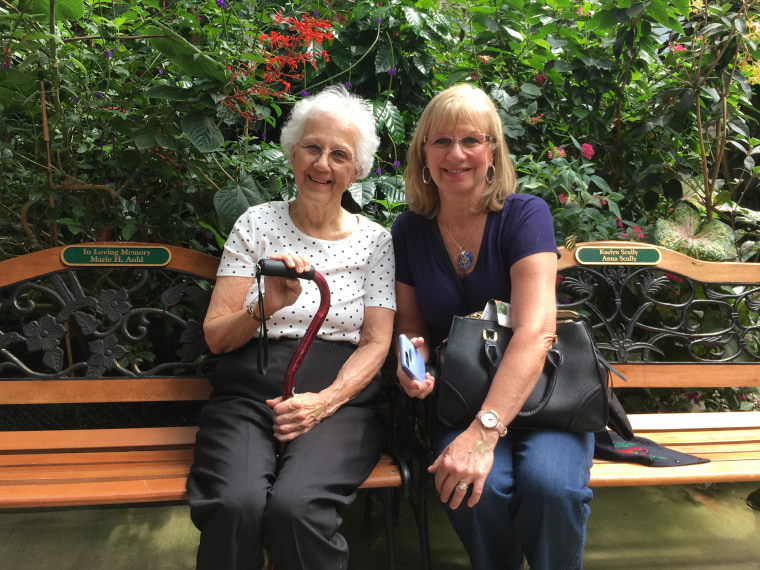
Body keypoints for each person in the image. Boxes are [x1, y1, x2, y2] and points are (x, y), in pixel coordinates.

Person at [187, 85, 396, 570]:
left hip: (339, 399)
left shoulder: (375, 241)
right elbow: (217, 336)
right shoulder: (255, 223)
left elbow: (376, 342)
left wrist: (324, 402)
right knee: (235, 505)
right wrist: (264, 307)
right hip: (248, 392)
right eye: (312, 147)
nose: (322, 164)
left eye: (339, 154)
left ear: (357, 168)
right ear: (293, 151)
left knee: (296, 510)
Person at [392, 83, 593, 570]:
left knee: (552, 488)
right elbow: (409, 328)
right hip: (461, 396)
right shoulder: (409, 230)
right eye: (440, 141)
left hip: (546, 398)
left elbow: (536, 331)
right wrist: (412, 368)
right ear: (423, 152)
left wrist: (484, 433)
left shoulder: (524, 215)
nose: (455, 154)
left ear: (492, 151)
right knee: (473, 487)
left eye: (471, 141)